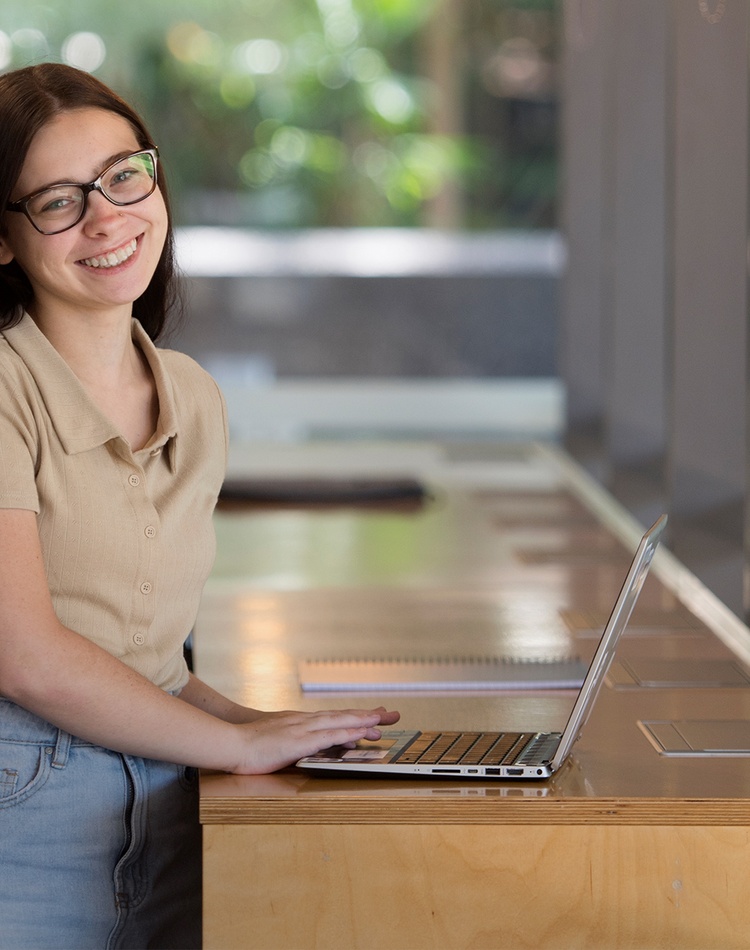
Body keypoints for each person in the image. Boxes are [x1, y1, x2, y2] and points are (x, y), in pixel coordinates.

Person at [0, 62, 399, 950]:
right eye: (58, 200)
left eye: (122, 177)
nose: (107, 217)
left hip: (174, 813)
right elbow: (25, 657)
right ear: (3, 237)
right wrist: (238, 748)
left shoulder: (192, 395)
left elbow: (150, 665)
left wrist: (268, 729)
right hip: (22, 825)